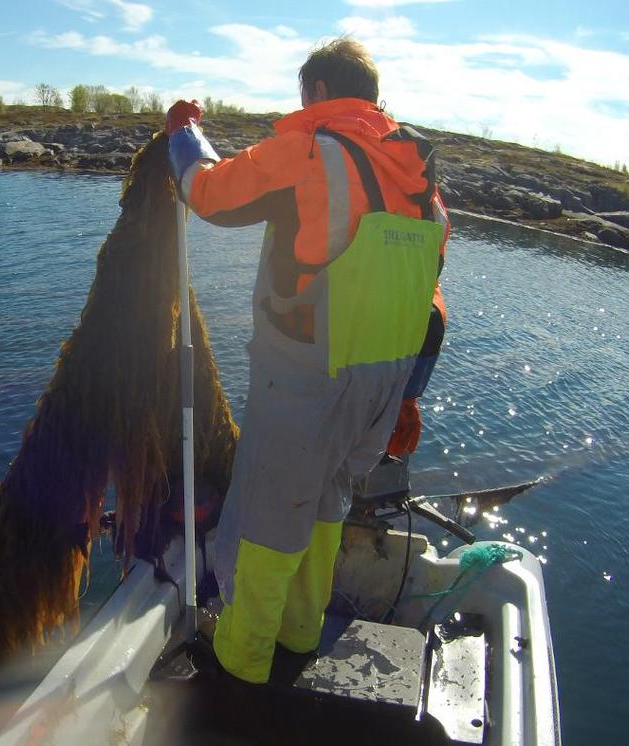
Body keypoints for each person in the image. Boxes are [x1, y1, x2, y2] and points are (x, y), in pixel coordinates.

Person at [165, 37, 449, 684]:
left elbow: (206, 192)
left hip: (305, 380)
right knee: (326, 510)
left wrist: (183, 132)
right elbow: (429, 294)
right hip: (380, 390)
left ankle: (239, 665)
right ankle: (297, 641)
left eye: (302, 95)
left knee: (268, 516)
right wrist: (409, 394)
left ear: (318, 92)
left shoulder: (309, 149)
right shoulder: (422, 175)